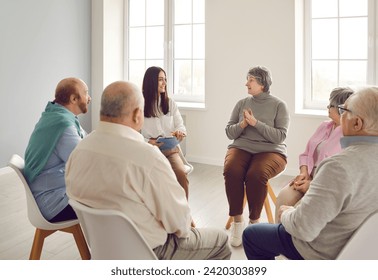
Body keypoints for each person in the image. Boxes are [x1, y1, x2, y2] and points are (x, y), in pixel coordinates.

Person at [65, 81, 231, 260]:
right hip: (149, 252)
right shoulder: (147, 158)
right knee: (221, 241)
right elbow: (181, 225)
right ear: (137, 115)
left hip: (103, 252)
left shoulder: (79, 152)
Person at [242, 86, 378, 260]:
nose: (340, 114)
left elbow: (304, 228)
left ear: (357, 123)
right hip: (356, 248)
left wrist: (286, 213)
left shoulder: (338, 167)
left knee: (252, 234)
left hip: (322, 250)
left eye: (344, 111)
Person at [223, 66, 289, 247]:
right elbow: (229, 132)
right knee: (232, 170)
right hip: (242, 147)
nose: (246, 83)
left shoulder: (279, 105)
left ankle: (254, 224)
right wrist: (243, 124)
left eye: (250, 80)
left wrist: (256, 123)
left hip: (271, 151)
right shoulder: (242, 103)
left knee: (255, 174)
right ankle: (238, 222)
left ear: (262, 83)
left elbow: (280, 137)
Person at [275, 87, 354, 223]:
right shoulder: (324, 126)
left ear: (342, 109)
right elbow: (306, 154)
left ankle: (290, 239)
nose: (328, 107)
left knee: (300, 211)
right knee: (284, 197)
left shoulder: (349, 135)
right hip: (309, 175)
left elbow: (341, 175)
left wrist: (312, 185)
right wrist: (304, 172)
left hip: (325, 182)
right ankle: (276, 234)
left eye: (331, 105)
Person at [24, 77, 91, 222]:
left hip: (52, 195)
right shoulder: (64, 126)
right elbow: (86, 163)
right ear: (74, 98)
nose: (89, 98)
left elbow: (88, 143)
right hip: (55, 204)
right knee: (114, 200)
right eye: (86, 93)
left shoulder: (56, 117)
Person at [140, 66, 190, 199]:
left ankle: (184, 214)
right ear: (151, 82)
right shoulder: (139, 105)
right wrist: (148, 142)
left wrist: (180, 132)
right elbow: (133, 133)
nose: (165, 83)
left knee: (180, 173)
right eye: (160, 80)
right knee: (154, 179)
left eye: (165, 79)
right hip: (148, 150)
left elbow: (181, 126)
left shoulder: (170, 103)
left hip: (169, 150)